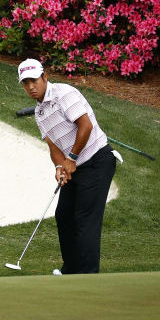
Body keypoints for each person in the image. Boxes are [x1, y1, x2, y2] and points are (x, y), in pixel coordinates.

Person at [17, 58, 117, 274]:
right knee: (64, 215)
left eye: (34, 80)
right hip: (75, 165)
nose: (31, 87)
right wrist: (59, 167)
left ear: (45, 76)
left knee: (85, 219)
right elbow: (53, 146)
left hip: (97, 160)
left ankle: (88, 275)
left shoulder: (64, 94)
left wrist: (71, 158)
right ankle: (71, 270)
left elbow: (86, 125)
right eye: (25, 83)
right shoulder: (39, 112)